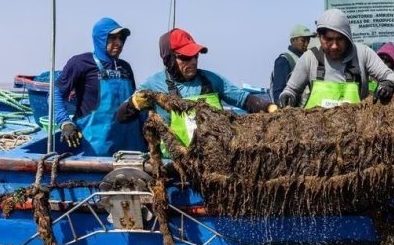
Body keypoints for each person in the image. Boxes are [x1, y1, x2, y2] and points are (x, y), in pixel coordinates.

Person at [116, 28, 275, 147]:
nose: (192, 61)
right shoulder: (153, 84)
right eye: (185, 57)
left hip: (214, 161)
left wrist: (270, 107)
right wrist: (134, 105)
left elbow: (243, 99)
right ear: (169, 59)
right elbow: (121, 117)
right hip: (172, 165)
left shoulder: (211, 80)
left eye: (195, 56)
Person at [53, 17, 144, 156]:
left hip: (130, 149)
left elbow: (135, 103)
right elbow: (56, 93)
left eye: (121, 38)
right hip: (96, 149)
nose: (119, 43)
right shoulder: (80, 63)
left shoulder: (125, 67)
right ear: (100, 39)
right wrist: (64, 122)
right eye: (113, 38)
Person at [278, 9, 394, 109]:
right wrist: (287, 97)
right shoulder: (310, 58)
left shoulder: (362, 54)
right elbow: (291, 90)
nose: (334, 46)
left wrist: (387, 85)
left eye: (340, 39)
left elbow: (392, 77)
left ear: (348, 37)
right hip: (315, 134)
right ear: (320, 37)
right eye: (328, 39)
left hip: (356, 132)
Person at [269, 24, 315, 103]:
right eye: (303, 40)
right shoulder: (284, 60)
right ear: (293, 41)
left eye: (308, 40)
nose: (307, 44)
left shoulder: (307, 59)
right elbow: (278, 92)